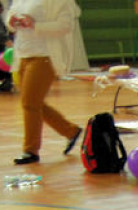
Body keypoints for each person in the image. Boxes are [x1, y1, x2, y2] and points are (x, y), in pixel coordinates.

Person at [6, 0, 82, 165]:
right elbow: (10, 18)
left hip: (44, 57)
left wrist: (35, 25)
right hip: (22, 56)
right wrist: (11, 21)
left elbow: (65, 26)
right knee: (34, 103)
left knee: (29, 103)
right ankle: (71, 131)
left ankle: (30, 150)